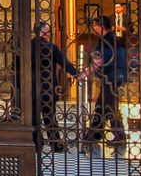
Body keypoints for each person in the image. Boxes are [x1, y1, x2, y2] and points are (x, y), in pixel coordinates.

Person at [80, 16, 131, 154]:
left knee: (107, 107)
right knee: (104, 106)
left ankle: (115, 136)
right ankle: (95, 135)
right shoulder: (116, 39)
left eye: (95, 26)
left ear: (100, 26)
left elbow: (98, 61)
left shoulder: (105, 41)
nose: (94, 28)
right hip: (117, 77)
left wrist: (83, 74)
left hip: (110, 78)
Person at [34, 20, 75, 151]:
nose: (47, 34)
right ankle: (55, 144)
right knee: (50, 117)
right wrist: (78, 74)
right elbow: (65, 63)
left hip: (32, 87)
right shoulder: (51, 47)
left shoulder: (28, 46)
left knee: (33, 117)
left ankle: (36, 143)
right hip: (48, 87)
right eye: (46, 32)